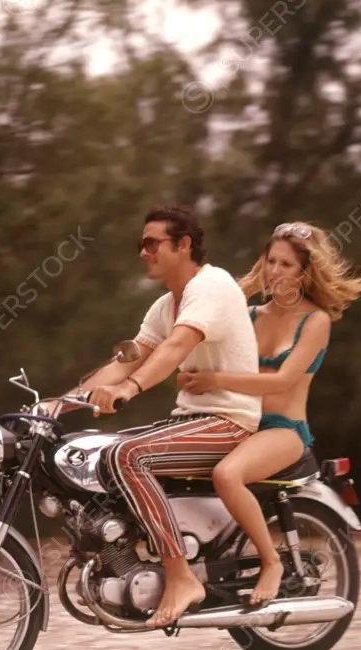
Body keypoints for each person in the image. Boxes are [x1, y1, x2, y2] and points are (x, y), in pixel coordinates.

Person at [56, 204, 263, 628]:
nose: (143, 252)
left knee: (126, 456)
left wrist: (128, 389)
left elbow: (174, 349)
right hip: (191, 421)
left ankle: (181, 575)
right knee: (99, 452)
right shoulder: (164, 306)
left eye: (152, 243)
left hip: (231, 420)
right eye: (141, 244)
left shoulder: (213, 285)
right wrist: (58, 404)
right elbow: (126, 359)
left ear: (183, 244)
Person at [177, 221, 361, 605]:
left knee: (227, 474)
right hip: (237, 420)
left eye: (286, 264)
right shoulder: (247, 314)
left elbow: (282, 381)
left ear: (305, 272)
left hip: (283, 431)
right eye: (271, 261)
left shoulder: (316, 321)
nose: (275, 271)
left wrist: (215, 377)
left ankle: (271, 563)